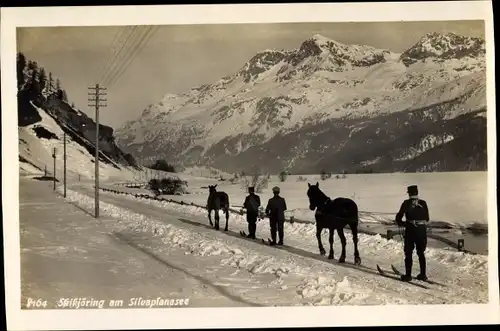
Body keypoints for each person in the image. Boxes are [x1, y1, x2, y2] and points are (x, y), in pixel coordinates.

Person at [395, 185, 430, 282]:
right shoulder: (423, 203)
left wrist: (404, 223)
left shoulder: (406, 203)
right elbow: (427, 218)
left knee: (408, 252)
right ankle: (423, 274)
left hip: (411, 230)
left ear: (409, 193)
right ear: (417, 193)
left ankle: (408, 275)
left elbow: (398, 218)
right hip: (422, 230)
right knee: (421, 253)